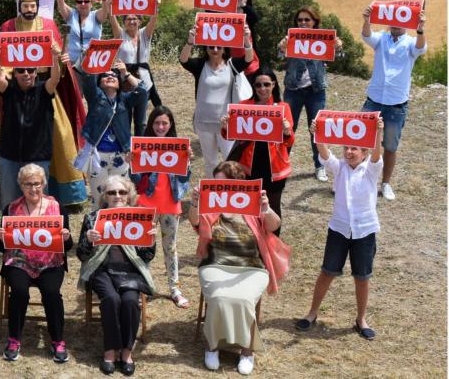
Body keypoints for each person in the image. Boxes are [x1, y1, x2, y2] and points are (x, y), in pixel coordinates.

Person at [189, 161, 286, 376]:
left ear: (237, 183)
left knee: (242, 300)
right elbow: (195, 221)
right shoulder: (210, 206)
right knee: (219, 298)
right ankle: (212, 346)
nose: (218, 187)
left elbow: (274, 225)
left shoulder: (251, 207)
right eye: (216, 183)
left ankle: (247, 351)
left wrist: (266, 208)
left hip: (251, 267)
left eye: (223, 183)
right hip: (216, 264)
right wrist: (195, 203)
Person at [295, 120, 385, 340]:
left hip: (364, 231)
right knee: (327, 272)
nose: (349, 152)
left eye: (354, 148)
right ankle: (312, 313)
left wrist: (378, 132)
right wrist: (318, 134)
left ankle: (361, 319)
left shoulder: (371, 170)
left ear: (364, 152)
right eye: (346, 147)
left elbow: (377, 153)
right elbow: (325, 154)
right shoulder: (339, 168)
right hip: (339, 229)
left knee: (362, 277)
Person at [0, 0, 87, 207]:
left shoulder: (49, 26)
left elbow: (59, 62)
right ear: (19, 6)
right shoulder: (8, 27)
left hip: (46, 88)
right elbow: (5, 65)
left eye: (33, 6)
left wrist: (62, 58)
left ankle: (61, 193)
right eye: (25, 6)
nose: (29, 10)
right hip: (18, 89)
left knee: (59, 135)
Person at [77, 176, 156, 376]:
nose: (117, 196)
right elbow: (81, 255)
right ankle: (110, 351)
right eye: (112, 192)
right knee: (111, 299)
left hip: (130, 270)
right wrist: (88, 240)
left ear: (129, 196)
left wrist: (151, 240)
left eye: (122, 192)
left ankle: (127, 352)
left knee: (130, 301)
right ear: (105, 196)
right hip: (101, 269)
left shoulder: (140, 217)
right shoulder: (93, 218)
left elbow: (147, 256)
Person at [0, 164, 73, 363]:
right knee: (19, 291)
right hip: (19, 261)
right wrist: (2, 238)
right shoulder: (11, 209)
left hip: (50, 262)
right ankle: (14, 339)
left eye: (37, 183)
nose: (33, 188)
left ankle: (57, 341)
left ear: (44, 184)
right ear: (21, 186)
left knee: (51, 293)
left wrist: (66, 237)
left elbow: (68, 246)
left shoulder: (57, 207)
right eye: (28, 184)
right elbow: (1, 247)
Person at [360, 3, 427, 200]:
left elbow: (421, 48)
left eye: (401, 21)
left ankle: (386, 183)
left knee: (390, 146)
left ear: (407, 23)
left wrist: (421, 28)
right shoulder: (381, 39)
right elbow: (367, 36)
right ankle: (361, 179)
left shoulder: (410, 43)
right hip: (374, 100)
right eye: (393, 22)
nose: (396, 25)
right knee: (364, 141)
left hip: (397, 103)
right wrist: (366, 20)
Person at [130, 106, 192, 310]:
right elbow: (136, 180)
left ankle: (175, 289)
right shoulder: (142, 146)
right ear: (151, 124)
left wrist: (188, 161)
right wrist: (133, 163)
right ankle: (140, 287)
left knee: (170, 248)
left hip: (170, 205)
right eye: (157, 123)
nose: (160, 126)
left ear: (171, 124)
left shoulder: (178, 147)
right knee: (142, 247)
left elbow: (184, 179)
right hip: (145, 204)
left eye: (165, 123)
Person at [0, 42, 65, 208]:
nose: (26, 74)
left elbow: (54, 79)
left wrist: (54, 58)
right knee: (10, 203)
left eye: (31, 70)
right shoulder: (8, 90)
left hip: (38, 157)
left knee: (38, 203)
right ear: (15, 74)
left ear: (36, 73)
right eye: (21, 70)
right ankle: (8, 232)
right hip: (9, 156)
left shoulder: (44, 90)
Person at [222, 66, 294, 232]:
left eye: (266, 84)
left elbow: (289, 142)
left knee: (273, 209)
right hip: (249, 167)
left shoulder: (283, 108)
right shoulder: (243, 105)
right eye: (258, 85)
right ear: (253, 87)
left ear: (274, 85)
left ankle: (272, 249)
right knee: (249, 208)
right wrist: (226, 127)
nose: (262, 88)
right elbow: (230, 136)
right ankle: (254, 245)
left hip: (274, 169)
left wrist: (286, 131)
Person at [277, 6, 343, 182]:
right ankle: (281, 164)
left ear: (315, 22)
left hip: (316, 91)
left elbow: (339, 57)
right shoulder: (290, 38)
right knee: (287, 128)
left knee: (317, 129)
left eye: (307, 20)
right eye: (300, 20)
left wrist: (338, 47)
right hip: (293, 90)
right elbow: (279, 56)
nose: (303, 23)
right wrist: (282, 47)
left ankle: (319, 165)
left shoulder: (323, 39)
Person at [178, 23, 254, 176]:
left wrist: (246, 40)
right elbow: (184, 60)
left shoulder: (232, 65)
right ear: (206, 48)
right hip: (203, 121)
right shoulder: (200, 65)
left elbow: (248, 59)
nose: (215, 50)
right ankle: (211, 193)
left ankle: (231, 192)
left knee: (230, 161)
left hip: (226, 123)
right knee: (210, 161)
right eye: (211, 46)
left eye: (219, 47)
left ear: (225, 49)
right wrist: (190, 41)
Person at [76, 60, 146, 208]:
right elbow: (88, 79)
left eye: (114, 75)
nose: (110, 77)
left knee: (120, 199)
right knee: (99, 199)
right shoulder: (95, 97)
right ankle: (97, 230)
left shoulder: (125, 100)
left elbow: (143, 90)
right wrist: (94, 61)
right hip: (97, 156)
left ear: (119, 83)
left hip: (121, 155)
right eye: (105, 76)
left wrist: (125, 73)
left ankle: (118, 229)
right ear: (99, 83)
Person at [111, 0, 161, 131]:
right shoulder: (120, 34)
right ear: (124, 22)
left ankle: (140, 146)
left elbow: (153, 19)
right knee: (124, 118)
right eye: (128, 19)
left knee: (141, 121)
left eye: (135, 19)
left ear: (139, 21)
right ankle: (126, 148)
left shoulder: (145, 34)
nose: (132, 21)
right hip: (124, 81)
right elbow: (112, 19)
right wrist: (110, 4)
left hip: (143, 83)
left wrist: (155, 6)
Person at [56, 0, 110, 67]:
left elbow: (105, 11)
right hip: (72, 62)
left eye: (86, 1)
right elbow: (61, 3)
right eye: (79, 1)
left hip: (92, 62)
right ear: (76, 4)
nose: (83, 4)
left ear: (91, 4)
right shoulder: (71, 15)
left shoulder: (95, 15)